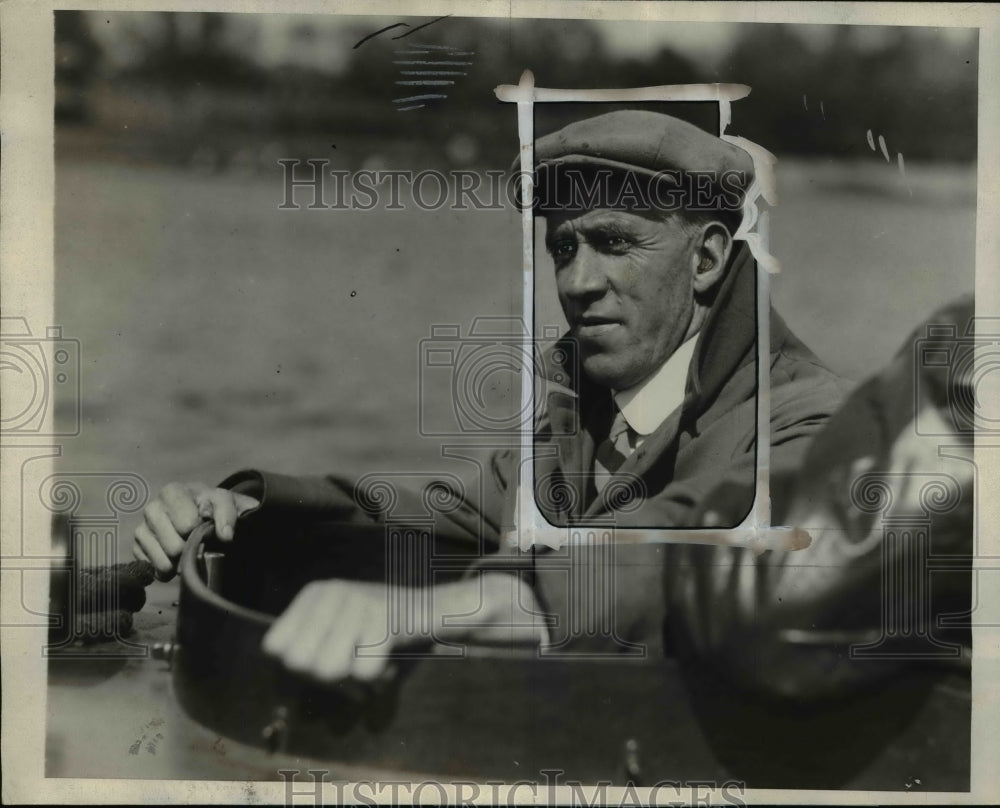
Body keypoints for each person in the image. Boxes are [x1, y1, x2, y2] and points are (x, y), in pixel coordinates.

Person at [133, 110, 846, 684]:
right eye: (564, 248)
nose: (576, 283)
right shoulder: (578, 424)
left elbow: (712, 545)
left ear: (709, 258)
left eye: (613, 242)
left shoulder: (809, 423)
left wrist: (493, 601)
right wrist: (249, 511)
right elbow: (431, 516)